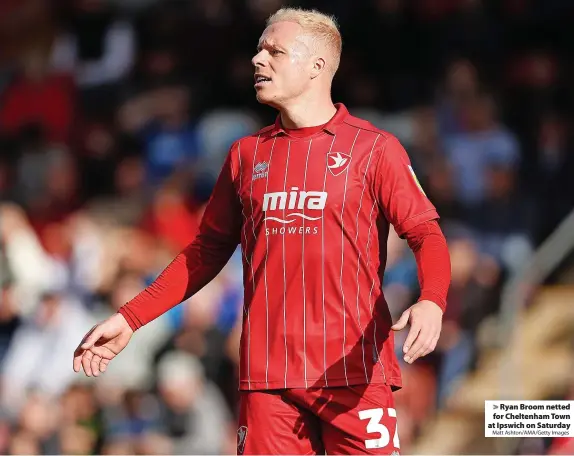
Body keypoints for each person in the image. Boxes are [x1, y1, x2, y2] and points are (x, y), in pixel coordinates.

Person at [73, 7, 451, 455]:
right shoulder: (246, 156)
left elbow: (426, 233)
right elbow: (205, 253)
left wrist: (432, 300)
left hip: (354, 371)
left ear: (317, 66)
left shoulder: (374, 149)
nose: (258, 60)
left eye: (275, 51)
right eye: (258, 50)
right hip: (269, 380)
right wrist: (130, 318)